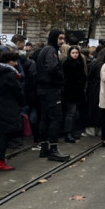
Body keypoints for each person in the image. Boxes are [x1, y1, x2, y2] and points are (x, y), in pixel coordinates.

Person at [35, 29, 70, 162]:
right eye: (60, 38)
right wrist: (60, 76)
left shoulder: (45, 50)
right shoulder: (51, 51)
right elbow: (52, 67)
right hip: (51, 89)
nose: (62, 41)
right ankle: (53, 149)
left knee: (44, 118)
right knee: (56, 118)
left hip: (43, 89)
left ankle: (44, 147)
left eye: (63, 39)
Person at [0, 51, 24, 171]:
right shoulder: (10, 75)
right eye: (14, 61)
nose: (16, 63)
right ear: (9, 62)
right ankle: (0, 161)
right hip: (8, 106)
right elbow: (18, 92)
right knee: (4, 135)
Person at [62, 46, 86, 144]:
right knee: (71, 112)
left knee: (75, 113)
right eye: (73, 53)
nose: (75, 54)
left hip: (78, 91)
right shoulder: (67, 63)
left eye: (76, 53)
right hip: (70, 92)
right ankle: (68, 133)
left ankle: (72, 131)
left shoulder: (80, 63)